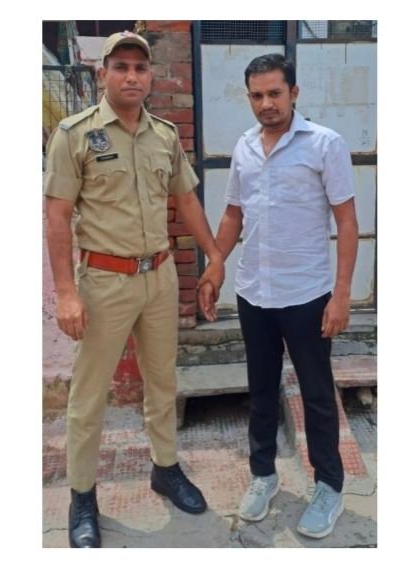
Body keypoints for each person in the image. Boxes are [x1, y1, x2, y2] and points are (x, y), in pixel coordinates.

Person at [44, 31, 224, 548]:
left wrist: (213, 256)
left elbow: (186, 201)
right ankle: (82, 495)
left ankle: (165, 468)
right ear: (102, 74)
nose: (131, 76)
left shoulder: (164, 135)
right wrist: (66, 293)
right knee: (88, 396)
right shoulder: (75, 134)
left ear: (149, 77)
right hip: (103, 282)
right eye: (120, 67)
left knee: (162, 381)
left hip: (159, 277)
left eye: (140, 68)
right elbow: (57, 216)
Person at [198, 53, 358, 539]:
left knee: (317, 394)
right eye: (257, 95)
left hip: (307, 294)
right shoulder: (245, 146)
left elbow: (347, 222)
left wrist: (342, 295)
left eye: (274, 93)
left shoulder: (325, 144)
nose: (266, 103)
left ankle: (329, 486)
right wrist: (215, 264)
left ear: (294, 93)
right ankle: (264, 475)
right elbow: (233, 214)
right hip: (255, 292)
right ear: (248, 97)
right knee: (262, 389)